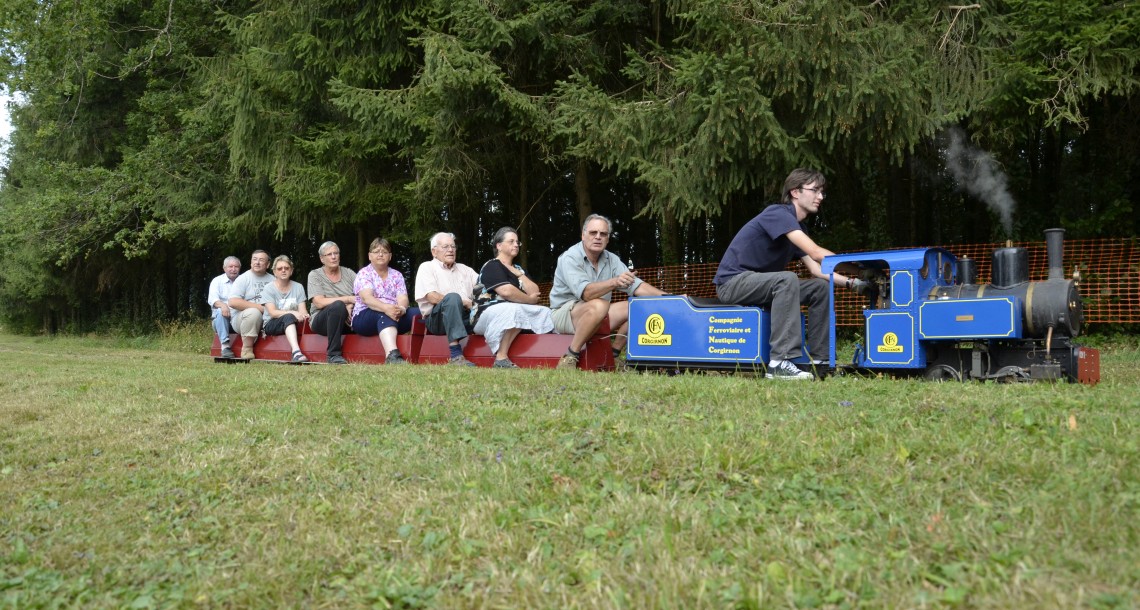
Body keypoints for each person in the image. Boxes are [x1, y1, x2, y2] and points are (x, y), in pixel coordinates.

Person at [713, 168, 867, 380]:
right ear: (795, 192)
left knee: (820, 288)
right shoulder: (777, 214)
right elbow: (816, 252)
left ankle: (820, 362)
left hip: (761, 285)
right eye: (815, 190)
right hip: (732, 283)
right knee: (786, 279)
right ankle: (779, 363)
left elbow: (817, 269)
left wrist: (854, 283)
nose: (820, 197)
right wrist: (861, 269)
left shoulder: (797, 228)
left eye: (822, 192)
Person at [549, 214, 667, 370]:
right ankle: (571, 356)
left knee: (639, 307)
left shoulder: (612, 259)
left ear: (608, 239)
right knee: (599, 305)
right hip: (565, 315)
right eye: (593, 232)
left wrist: (673, 299)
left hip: (599, 312)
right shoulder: (570, 257)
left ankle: (614, 354)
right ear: (583, 235)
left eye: (603, 234)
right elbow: (586, 294)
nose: (598, 237)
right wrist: (614, 281)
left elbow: (637, 286)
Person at [473, 227, 555, 368]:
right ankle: (501, 358)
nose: (516, 244)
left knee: (546, 312)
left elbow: (535, 291)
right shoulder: (492, 265)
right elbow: (507, 292)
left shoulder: (519, 269)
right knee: (514, 309)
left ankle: (548, 353)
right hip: (483, 316)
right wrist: (529, 300)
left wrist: (518, 274)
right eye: (511, 241)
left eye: (517, 242)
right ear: (499, 246)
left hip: (513, 308)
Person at [414, 232, 479, 366]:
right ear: (434, 251)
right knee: (453, 298)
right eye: (445, 247)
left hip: (466, 316)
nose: (450, 250)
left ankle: (500, 356)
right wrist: (463, 302)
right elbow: (432, 296)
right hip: (437, 319)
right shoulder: (427, 267)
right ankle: (456, 355)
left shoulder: (465, 269)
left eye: (453, 246)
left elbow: (483, 287)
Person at [351, 238, 419, 365]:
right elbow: (367, 298)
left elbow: (403, 298)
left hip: (394, 313)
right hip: (365, 315)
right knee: (384, 314)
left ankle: (431, 351)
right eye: (376, 251)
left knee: (419, 313)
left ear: (390, 256)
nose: (380, 254)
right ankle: (392, 355)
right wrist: (386, 308)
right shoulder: (364, 273)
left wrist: (401, 309)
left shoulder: (397, 275)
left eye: (384, 252)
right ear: (369, 256)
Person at [307, 241, 357, 365]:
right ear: (322, 259)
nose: (334, 257)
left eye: (336, 253)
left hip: (347, 319)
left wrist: (350, 305)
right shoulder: (315, 275)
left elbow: (363, 295)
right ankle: (333, 355)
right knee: (338, 306)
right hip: (321, 320)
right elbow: (319, 302)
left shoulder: (349, 273)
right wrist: (347, 300)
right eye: (329, 254)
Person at [261, 255, 311, 363]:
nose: (283, 270)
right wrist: (293, 312)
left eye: (286, 268)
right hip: (271, 323)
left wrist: (304, 315)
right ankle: (296, 352)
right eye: (280, 268)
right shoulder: (268, 288)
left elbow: (302, 310)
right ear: (274, 272)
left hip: (293, 321)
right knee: (288, 317)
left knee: (306, 319)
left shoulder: (298, 287)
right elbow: (273, 313)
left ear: (291, 271)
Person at [228, 250, 273, 359]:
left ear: (268, 264)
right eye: (255, 259)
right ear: (251, 262)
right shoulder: (243, 278)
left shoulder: (274, 280)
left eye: (261, 260)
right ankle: (247, 349)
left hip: (268, 317)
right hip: (242, 319)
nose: (257, 262)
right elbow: (233, 302)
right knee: (254, 313)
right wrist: (262, 308)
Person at [207, 256, 242, 358]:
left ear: (239, 268)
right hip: (221, 320)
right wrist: (223, 305)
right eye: (230, 266)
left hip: (239, 319)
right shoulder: (217, 281)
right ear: (224, 268)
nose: (233, 269)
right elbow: (212, 300)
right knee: (220, 311)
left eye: (236, 267)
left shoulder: (244, 280)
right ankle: (225, 347)